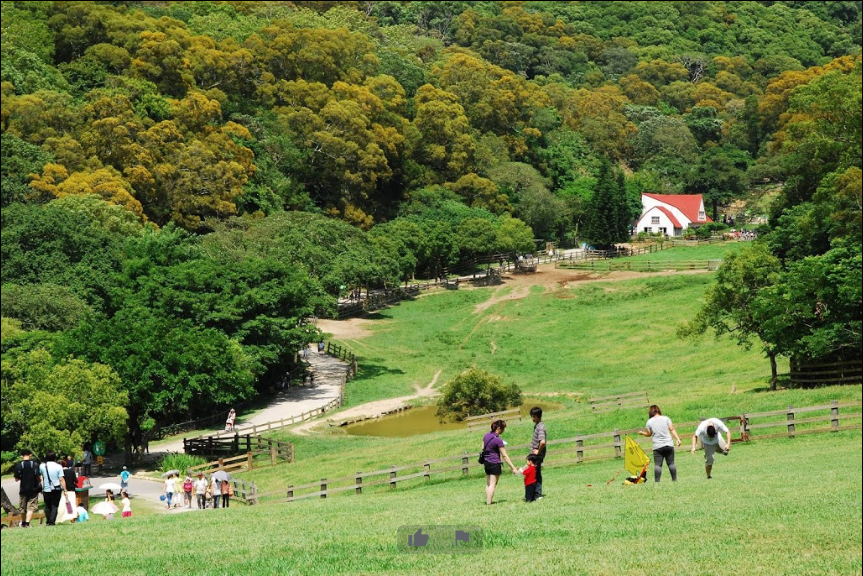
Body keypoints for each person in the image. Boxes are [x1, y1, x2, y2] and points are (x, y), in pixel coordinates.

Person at [638, 405, 681, 482]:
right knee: (671, 463)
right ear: (658, 410)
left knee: (658, 465)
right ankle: (674, 480)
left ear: (651, 412)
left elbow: (649, 434)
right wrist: (678, 439)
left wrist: (642, 433)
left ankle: (657, 482)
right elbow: (672, 429)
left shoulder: (649, 422)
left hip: (657, 446)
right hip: (668, 444)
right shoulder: (666, 418)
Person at [482, 420, 518, 505]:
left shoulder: (486, 435)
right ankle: (489, 503)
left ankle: (488, 500)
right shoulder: (498, 440)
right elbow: (504, 456)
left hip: (486, 462)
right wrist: (513, 468)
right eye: (503, 429)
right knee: (493, 484)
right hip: (495, 463)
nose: (503, 430)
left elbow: (483, 447)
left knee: (488, 483)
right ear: (498, 428)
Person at [13, 448, 41, 528]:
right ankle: (28, 523)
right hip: (33, 489)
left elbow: (16, 479)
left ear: (22, 456)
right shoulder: (35, 464)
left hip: (23, 489)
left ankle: (23, 522)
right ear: (30, 455)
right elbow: (38, 477)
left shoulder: (19, 465)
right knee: (31, 507)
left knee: (22, 507)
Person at [39, 450, 68, 526]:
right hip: (56, 488)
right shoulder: (58, 466)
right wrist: (65, 490)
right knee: (54, 505)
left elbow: (40, 476)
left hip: (46, 488)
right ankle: (52, 522)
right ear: (55, 457)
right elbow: (61, 479)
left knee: (47, 506)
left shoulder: (42, 466)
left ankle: (48, 521)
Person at [529, 406, 547, 499]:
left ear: (538, 416)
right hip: (535, 455)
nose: (532, 418)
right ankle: (534, 494)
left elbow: (542, 442)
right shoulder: (537, 426)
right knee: (534, 473)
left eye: (533, 416)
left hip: (537, 456)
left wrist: (538, 452)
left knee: (536, 474)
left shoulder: (540, 427)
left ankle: (538, 494)